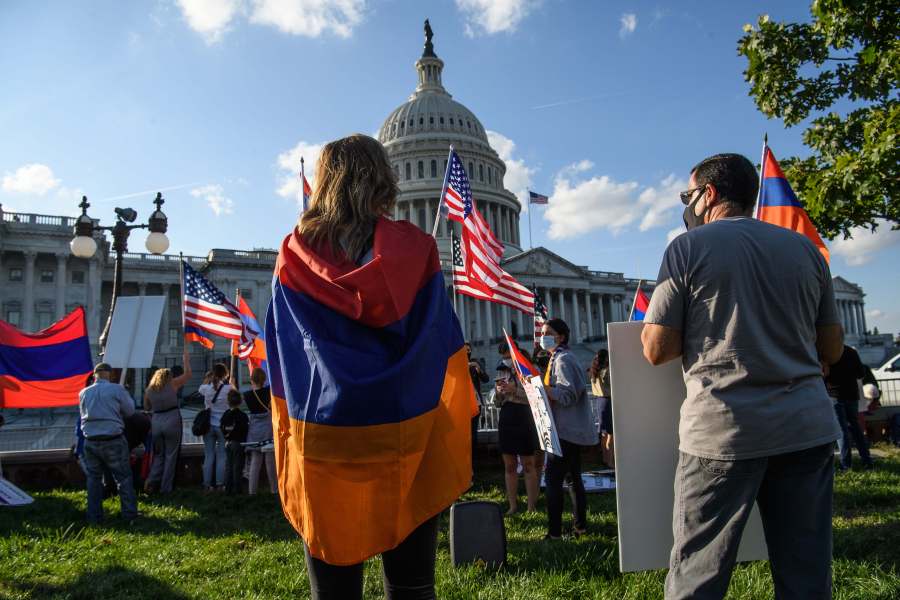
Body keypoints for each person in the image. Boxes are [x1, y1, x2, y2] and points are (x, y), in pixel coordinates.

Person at [266, 134, 474, 600]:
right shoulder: (418, 249)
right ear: (384, 179)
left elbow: (283, 353)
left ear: (324, 183)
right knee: (411, 587)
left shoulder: (294, 256)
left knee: (335, 592)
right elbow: (439, 341)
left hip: (323, 439)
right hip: (407, 433)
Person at [640, 153, 843, 599]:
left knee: (698, 573)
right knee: (807, 573)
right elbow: (831, 349)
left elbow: (656, 349)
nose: (686, 205)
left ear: (707, 194)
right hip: (806, 428)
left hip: (723, 432)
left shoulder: (687, 248)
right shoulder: (806, 249)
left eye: (687, 196)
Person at [540, 318, 598, 539]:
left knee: (554, 481)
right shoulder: (559, 358)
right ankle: (580, 526)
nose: (542, 336)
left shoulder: (563, 360)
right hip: (569, 430)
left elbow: (568, 395)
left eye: (547, 332)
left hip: (564, 431)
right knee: (573, 479)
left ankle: (554, 532)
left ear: (561, 336)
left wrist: (544, 389)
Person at [78, 362, 139, 524]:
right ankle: (129, 514)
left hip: (90, 441)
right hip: (112, 439)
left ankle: (94, 516)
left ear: (94, 374)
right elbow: (130, 411)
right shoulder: (116, 389)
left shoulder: (83, 393)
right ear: (110, 374)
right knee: (123, 478)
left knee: (93, 480)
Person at [494, 360, 540, 515]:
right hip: (507, 418)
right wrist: (499, 393)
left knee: (528, 464)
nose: (508, 364)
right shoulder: (502, 374)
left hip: (524, 418)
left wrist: (515, 390)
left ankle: (531, 506)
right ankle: (512, 506)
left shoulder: (527, 373)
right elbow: (497, 403)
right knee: (509, 465)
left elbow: (536, 397)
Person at [143, 348, 192, 493]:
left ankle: (151, 483)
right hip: (172, 419)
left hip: (157, 420)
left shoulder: (149, 390)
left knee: (159, 455)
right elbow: (188, 375)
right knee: (171, 456)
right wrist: (186, 361)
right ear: (168, 377)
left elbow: (147, 407)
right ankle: (166, 488)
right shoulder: (173, 384)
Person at [826, 345, 874, 470]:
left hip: (834, 394)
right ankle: (867, 462)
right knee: (856, 428)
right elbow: (860, 373)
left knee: (842, 431)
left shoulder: (827, 351)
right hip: (852, 394)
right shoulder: (851, 351)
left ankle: (846, 465)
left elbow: (822, 373)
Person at [198, 363, 233, 491]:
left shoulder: (205, 388)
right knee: (222, 455)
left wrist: (208, 378)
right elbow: (235, 396)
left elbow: (201, 388)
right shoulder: (228, 388)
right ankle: (220, 484)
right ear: (225, 374)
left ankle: (207, 485)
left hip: (208, 426)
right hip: (222, 426)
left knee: (209, 455)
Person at [243, 367, 277, 495]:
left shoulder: (247, 395)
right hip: (268, 428)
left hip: (254, 429)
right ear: (263, 379)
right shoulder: (269, 392)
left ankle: (252, 491)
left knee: (255, 460)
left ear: (252, 380)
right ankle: (274, 489)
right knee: (270, 461)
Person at [589, 349, 614, 470]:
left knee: (604, 433)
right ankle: (610, 461)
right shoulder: (607, 371)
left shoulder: (594, 371)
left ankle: (605, 459)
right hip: (608, 401)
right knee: (611, 434)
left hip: (599, 401)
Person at [220, 389, 249, 495]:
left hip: (228, 443)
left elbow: (222, 427)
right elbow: (245, 429)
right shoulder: (242, 416)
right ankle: (237, 490)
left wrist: (226, 436)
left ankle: (228, 489)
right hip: (239, 443)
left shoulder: (225, 414)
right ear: (240, 401)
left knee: (228, 466)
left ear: (228, 402)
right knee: (238, 467)